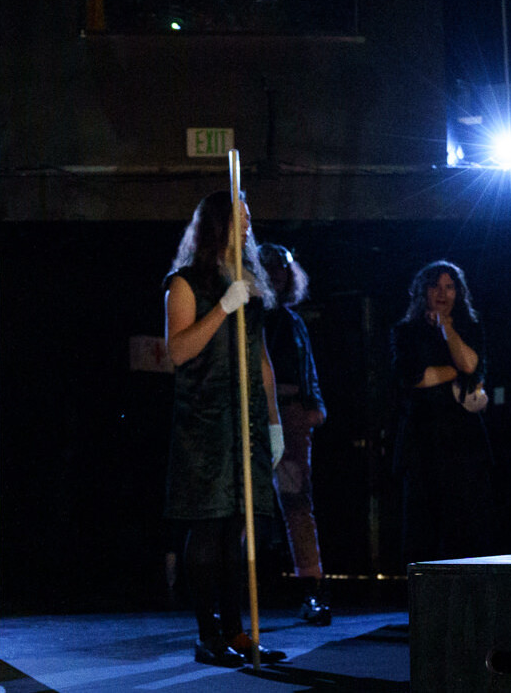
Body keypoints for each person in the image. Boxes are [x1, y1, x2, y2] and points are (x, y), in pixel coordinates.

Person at [163, 190, 287, 668]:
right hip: (205, 423)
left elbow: (260, 359)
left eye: (250, 216)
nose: (249, 224)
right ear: (217, 224)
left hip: (246, 421)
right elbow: (179, 351)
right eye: (240, 217)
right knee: (209, 525)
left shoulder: (250, 283)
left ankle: (236, 630)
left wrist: (273, 421)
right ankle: (208, 634)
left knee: (239, 526)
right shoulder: (185, 283)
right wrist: (222, 309)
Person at [392, 260, 492, 563]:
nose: (442, 293)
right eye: (435, 286)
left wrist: (448, 329)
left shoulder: (470, 328)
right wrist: (455, 371)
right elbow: (416, 377)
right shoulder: (406, 331)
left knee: (464, 523)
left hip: (463, 441)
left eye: (449, 287)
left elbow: (472, 366)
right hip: (422, 437)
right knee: (422, 525)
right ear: (423, 290)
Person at [259, 244, 331, 625]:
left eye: (281, 269)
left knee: (297, 503)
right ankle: (231, 593)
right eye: (268, 268)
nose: (276, 275)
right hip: (254, 416)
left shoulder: (291, 320)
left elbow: (307, 367)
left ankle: (313, 590)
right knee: (245, 507)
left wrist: (312, 406)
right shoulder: (248, 315)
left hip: (290, 415)